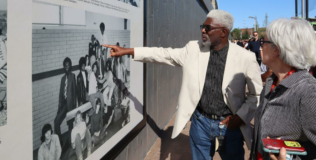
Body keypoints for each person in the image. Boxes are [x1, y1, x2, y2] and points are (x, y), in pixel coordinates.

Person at [104, 9, 262, 160]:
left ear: (223, 32)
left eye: (207, 28)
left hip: (230, 127)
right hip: (201, 123)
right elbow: (163, 54)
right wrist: (128, 51)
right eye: (202, 27)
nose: (202, 31)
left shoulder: (245, 57)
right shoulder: (193, 49)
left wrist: (239, 118)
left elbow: (256, 95)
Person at [250, 18, 316, 160]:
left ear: (277, 51)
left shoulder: (308, 92)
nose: (260, 47)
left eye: (264, 42)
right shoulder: (271, 83)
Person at [54, 57, 76, 145]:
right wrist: (59, 107)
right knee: (56, 122)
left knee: (70, 125)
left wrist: (74, 106)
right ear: (64, 67)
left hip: (70, 105)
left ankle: (71, 142)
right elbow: (60, 94)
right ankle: (60, 142)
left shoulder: (73, 76)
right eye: (65, 66)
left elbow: (75, 92)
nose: (67, 67)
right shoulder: (62, 79)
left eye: (68, 65)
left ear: (70, 66)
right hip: (63, 105)